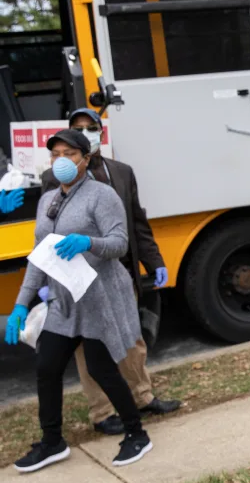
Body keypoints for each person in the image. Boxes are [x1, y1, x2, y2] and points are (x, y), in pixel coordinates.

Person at [5, 129, 153, 472]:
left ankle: (136, 433)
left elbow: (119, 243)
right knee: (47, 367)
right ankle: (52, 441)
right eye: (55, 153)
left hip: (99, 297)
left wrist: (88, 243)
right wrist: (20, 306)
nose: (61, 160)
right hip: (64, 302)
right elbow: (39, 257)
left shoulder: (102, 196)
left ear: (86, 158)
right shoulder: (47, 200)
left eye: (69, 153)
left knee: (102, 368)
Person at [40, 108, 180, 435]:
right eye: (78, 128)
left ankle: (142, 396)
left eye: (91, 127)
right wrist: (46, 283)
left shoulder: (122, 172)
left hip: (118, 275)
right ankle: (102, 413)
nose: (86, 132)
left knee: (131, 339)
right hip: (78, 280)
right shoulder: (53, 180)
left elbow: (137, 223)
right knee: (87, 349)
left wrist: (154, 261)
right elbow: (46, 235)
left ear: (100, 134)